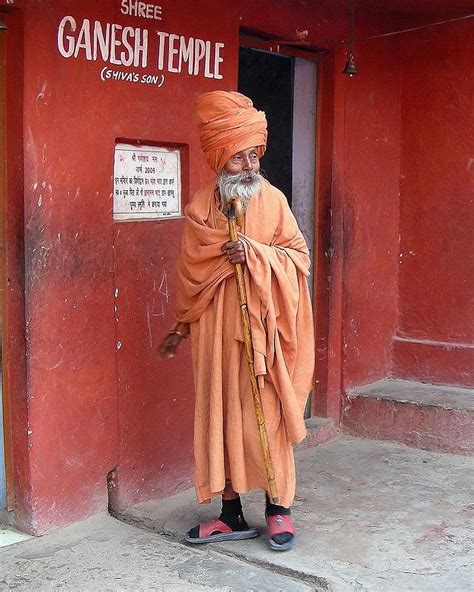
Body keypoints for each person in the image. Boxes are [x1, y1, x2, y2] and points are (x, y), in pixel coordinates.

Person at [159, 90, 314, 551]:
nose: (248, 166)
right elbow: (191, 272)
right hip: (215, 337)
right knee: (221, 418)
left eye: (254, 155)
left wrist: (256, 256)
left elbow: (299, 258)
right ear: (218, 158)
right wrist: (185, 319)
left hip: (262, 334)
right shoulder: (202, 208)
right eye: (237, 158)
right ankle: (229, 515)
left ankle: (278, 509)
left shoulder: (274, 201)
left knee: (266, 418)